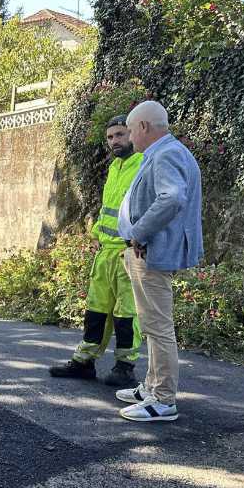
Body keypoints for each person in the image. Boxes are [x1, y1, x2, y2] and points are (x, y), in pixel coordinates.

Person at [116, 100, 203, 422]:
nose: (127, 140)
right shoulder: (167, 152)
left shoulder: (166, 154)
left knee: (158, 326)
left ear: (142, 127)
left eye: (128, 132)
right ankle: (152, 387)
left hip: (150, 252)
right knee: (152, 325)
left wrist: (138, 233)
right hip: (149, 251)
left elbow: (172, 198)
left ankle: (163, 399)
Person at [49, 115, 143, 386]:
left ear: (132, 134)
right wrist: (97, 235)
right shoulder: (115, 167)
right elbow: (108, 210)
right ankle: (85, 361)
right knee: (96, 310)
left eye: (120, 135)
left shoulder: (142, 165)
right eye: (111, 137)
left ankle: (125, 366)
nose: (115, 141)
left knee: (127, 313)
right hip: (105, 253)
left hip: (128, 252)